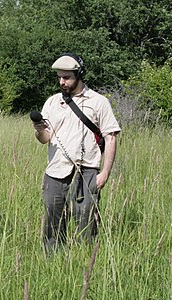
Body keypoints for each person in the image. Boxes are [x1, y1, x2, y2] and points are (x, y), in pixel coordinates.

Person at [32, 52, 121, 252]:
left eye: (67, 77)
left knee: (86, 217)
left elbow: (111, 137)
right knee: (53, 216)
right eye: (59, 77)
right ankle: (53, 259)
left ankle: (87, 256)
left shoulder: (98, 102)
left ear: (79, 75)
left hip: (88, 167)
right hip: (56, 169)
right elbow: (45, 139)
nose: (62, 82)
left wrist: (105, 172)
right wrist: (39, 129)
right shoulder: (52, 102)